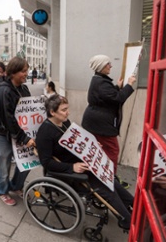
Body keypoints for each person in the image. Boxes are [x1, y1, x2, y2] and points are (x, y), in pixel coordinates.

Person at [36, 95, 134, 230]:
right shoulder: (45, 133)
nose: (68, 112)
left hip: (83, 162)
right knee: (106, 189)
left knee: (111, 180)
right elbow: (46, 163)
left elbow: (78, 140)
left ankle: (134, 205)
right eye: (64, 110)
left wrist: (92, 145)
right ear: (52, 112)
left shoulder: (65, 123)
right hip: (68, 172)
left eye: (67, 109)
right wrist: (72, 167)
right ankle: (128, 220)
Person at [81, 54, 136, 188]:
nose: (111, 66)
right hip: (101, 125)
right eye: (108, 64)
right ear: (100, 67)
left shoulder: (99, 80)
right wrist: (129, 85)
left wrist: (116, 87)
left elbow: (108, 97)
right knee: (112, 151)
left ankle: (103, 177)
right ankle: (111, 182)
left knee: (101, 152)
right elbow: (117, 99)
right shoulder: (101, 82)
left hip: (96, 123)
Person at [0, 57, 35, 206]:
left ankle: (15, 186)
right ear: (13, 72)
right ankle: (2, 191)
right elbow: (8, 119)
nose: (26, 74)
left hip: (19, 133)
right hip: (1, 133)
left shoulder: (24, 88)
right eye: (23, 71)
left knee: (26, 162)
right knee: (4, 164)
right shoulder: (4, 90)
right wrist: (24, 137)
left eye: (27, 70)